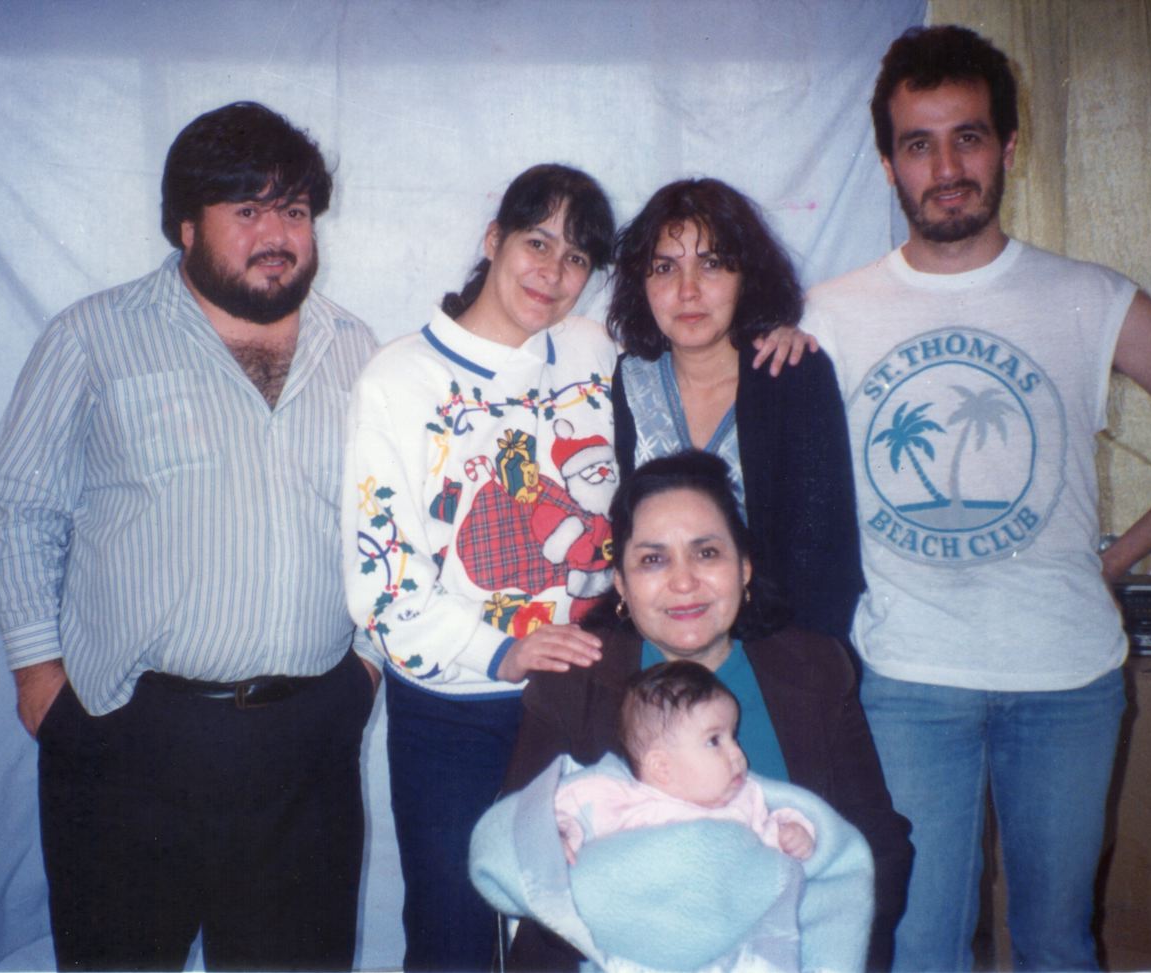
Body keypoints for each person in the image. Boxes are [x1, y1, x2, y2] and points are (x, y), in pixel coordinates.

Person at [805, 25, 1151, 972]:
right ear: (887, 164)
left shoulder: (1089, 297)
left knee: (1056, 942)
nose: (945, 165)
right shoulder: (831, 313)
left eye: (967, 136)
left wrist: (1121, 557)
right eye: (917, 143)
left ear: (1008, 145)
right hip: (907, 678)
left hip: (1067, 678)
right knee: (920, 947)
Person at [0, 102, 380, 971]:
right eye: (248, 210)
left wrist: (366, 667)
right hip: (130, 740)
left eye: (296, 211)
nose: (278, 233)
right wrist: (42, 675)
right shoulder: (93, 336)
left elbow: (390, 523)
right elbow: (16, 510)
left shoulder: (356, 350)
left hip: (307, 748)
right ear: (186, 225)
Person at [343, 163, 619, 972]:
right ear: (493, 240)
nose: (553, 272)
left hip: (580, 694)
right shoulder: (400, 378)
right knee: (453, 929)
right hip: (453, 708)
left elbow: (699, 343)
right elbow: (382, 575)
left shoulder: (592, 350)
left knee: (578, 925)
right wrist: (501, 647)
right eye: (536, 242)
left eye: (575, 258)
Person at [501, 450, 912, 972]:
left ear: (744, 567)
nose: (683, 582)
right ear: (622, 587)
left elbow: (876, 846)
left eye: (707, 553)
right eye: (653, 559)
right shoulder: (575, 680)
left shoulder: (814, 668)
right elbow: (520, 850)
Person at [609, 178, 864, 640]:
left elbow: (824, 559)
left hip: (776, 652)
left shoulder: (790, 374)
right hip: (658, 653)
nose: (688, 291)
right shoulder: (628, 379)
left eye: (711, 265)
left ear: (746, 276)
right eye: (664, 268)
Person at [554, 661, 816, 865]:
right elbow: (553, 814)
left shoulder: (746, 800)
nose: (738, 753)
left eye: (733, 737)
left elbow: (773, 835)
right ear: (662, 767)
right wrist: (559, 838)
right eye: (714, 741)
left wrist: (793, 834)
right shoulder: (620, 801)